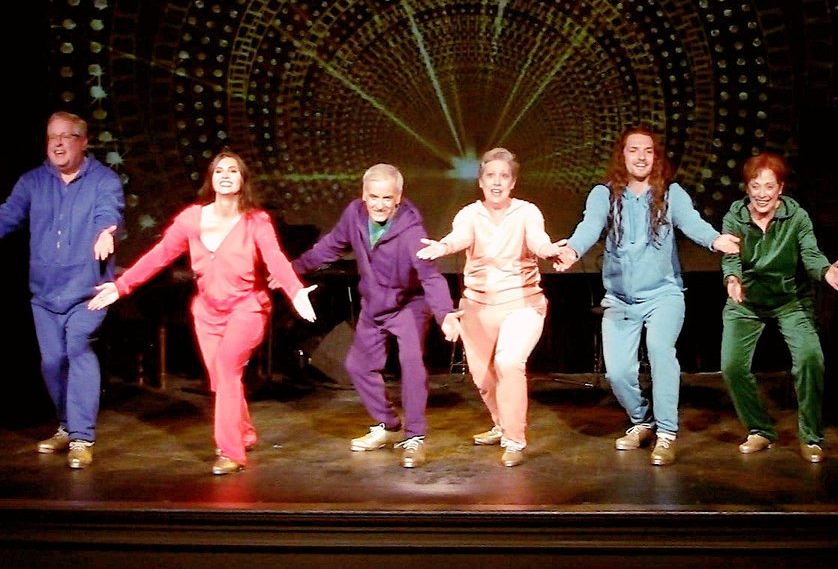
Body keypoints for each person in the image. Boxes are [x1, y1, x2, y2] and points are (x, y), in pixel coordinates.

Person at [88, 150, 319, 476]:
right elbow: (159, 256)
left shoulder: (256, 221)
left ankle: (231, 452)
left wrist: (295, 290)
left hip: (247, 308)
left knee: (226, 370)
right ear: (211, 178)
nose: (225, 175)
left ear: (243, 181)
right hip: (207, 313)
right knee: (222, 380)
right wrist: (121, 286)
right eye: (219, 170)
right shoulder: (191, 219)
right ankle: (246, 432)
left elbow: (275, 258)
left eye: (233, 171)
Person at [0, 111, 124, 470]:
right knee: (52, 363)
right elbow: (8, 214)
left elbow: (110, 212)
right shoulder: (33, 182)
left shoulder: (105, 181)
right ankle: (67, 426)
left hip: (89, 291)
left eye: (66, 136)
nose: (57, 143)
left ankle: (82, 438)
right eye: (51, 136)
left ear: (84, 142)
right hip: (45, 293)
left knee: (78, 349)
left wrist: (106, 232)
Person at [553, 127, 740, 466]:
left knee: (659, 350)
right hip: (620, 300)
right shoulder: (603, 195)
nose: (641, 156)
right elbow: (590, 226)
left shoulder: (671, 193)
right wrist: (573, 250)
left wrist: (716, 240)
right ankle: (642, 422)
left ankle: (667, 433)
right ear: (622, 156)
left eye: (648, 151)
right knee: (618, 372)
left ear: (656, 157)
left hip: (664, 295)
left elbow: (693, 224)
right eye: (633, 150)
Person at [290, 164, 458, 468]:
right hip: (374, 304)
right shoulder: (354, 215)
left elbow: (431, 277)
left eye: (387, 198)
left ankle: (414, 437)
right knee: (357, 365)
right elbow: (330, 247)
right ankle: (387, 425)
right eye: (373, 197)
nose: (379, 204)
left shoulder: (411, 232)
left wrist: (444, 314)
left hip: (409, 304)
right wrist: (292, 270)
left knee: (411, 363)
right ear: (363, 195)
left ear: (399, 198)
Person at [417, 147, 561, 467]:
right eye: (491, 176)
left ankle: (514, 438)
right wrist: (441, 247)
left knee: (509, 362)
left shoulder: (527, 212)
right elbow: (458, 238)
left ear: (513, 183)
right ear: (481, 181)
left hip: (522, 305)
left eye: (504, 176)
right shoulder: (470, 214)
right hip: (477, 308)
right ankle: (501, 423)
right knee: (484, 379)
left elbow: (538, 240)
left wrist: (549, 250)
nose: (497, 182)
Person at [719, 151, 838, 463]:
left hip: (789, 301)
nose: (761, 194)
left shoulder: (797, 217)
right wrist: (732, 279)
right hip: (746, 301)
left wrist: (825, 271)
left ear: (781, 188)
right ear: (747, 188)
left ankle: (811, 436)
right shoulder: (734, 216)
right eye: (755, 186)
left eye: (769, 186)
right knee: (732, 366)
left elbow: (809, 252)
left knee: (810, 359)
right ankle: (760, 430)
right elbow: (730, 255)